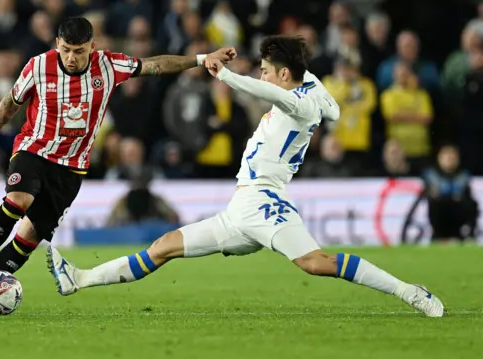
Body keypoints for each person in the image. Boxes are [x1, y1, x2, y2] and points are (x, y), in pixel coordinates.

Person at [47, 35, 444, 318]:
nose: (264, 76)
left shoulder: (298, 105)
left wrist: (225, 75)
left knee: (314, 262)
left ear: (285, 74)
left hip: (265, 201)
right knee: (165, 245)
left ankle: (409, 292)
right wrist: (311, 82)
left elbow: (275, 96)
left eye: (268, 71)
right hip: (241, 207)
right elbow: (332, 110)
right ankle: (78, 279)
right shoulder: (311, 96)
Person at [0, 17, 236, 315]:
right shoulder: (39, 66)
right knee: (19, 200)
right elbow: (11, 101)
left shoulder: (108, 66)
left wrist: (202, 59)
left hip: (71, 169)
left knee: (30, 235)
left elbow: (156, 65)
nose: (72, 58)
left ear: (92, 47)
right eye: (67, 50)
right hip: (34, 150)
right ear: (57, 44)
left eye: (79, 51)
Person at [422, 145, 478, 243]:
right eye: (447, 157)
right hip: (437, 217)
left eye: (453, 158)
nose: (450, 160)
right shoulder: (431, 175)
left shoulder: (463, 176)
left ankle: (468, 234)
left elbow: (469, 200)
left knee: (471, 204)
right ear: (439, 158)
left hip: (457, 216)